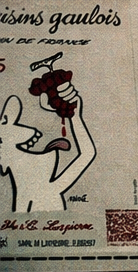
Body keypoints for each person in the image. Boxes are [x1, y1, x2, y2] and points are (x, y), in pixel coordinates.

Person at [0, 80, 94, 212]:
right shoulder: (50, 190)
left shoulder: (52, 189)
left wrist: (75, 116)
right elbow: (87, 154)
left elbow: (87, 154)